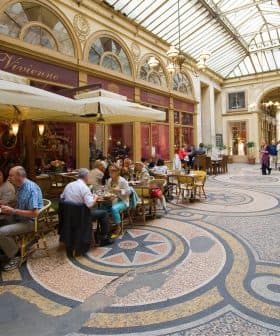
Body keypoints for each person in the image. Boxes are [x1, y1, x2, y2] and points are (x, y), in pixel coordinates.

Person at [0, 166, 43, 271]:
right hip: (20, 218)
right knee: (1, 221)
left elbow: (34, 213)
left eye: (11, 175)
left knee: (1, 232)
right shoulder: (20, 186)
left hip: (30, 222)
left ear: (19, 176)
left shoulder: (30, 188)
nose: (8, 178)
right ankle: (7, 248)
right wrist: (8, 206)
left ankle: (15, 256)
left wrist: (13, 211)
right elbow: (20, 205)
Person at [61, 168, 113, 246]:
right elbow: (90, 204)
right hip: (81, 215)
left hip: (68, 214)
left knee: (97, 210)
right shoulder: (84, 187)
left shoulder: (69, 185)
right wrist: (95, 197)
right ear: (85, 177)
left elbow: (62, 197)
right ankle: (104, 238)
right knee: (104, 213)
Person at [104, 165, 131, 238]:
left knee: (114, 209)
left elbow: (129, 191)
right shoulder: (109, 180)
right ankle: (106, 227)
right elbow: (106, 190)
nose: (110, 173)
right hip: (112, 200)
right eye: (110, 171)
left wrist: (119, 190)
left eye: (113, 171)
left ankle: (118, 227)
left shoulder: (123, 181)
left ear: (118, 172)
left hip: (123, 201)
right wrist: (108, 195)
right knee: (102, 208)